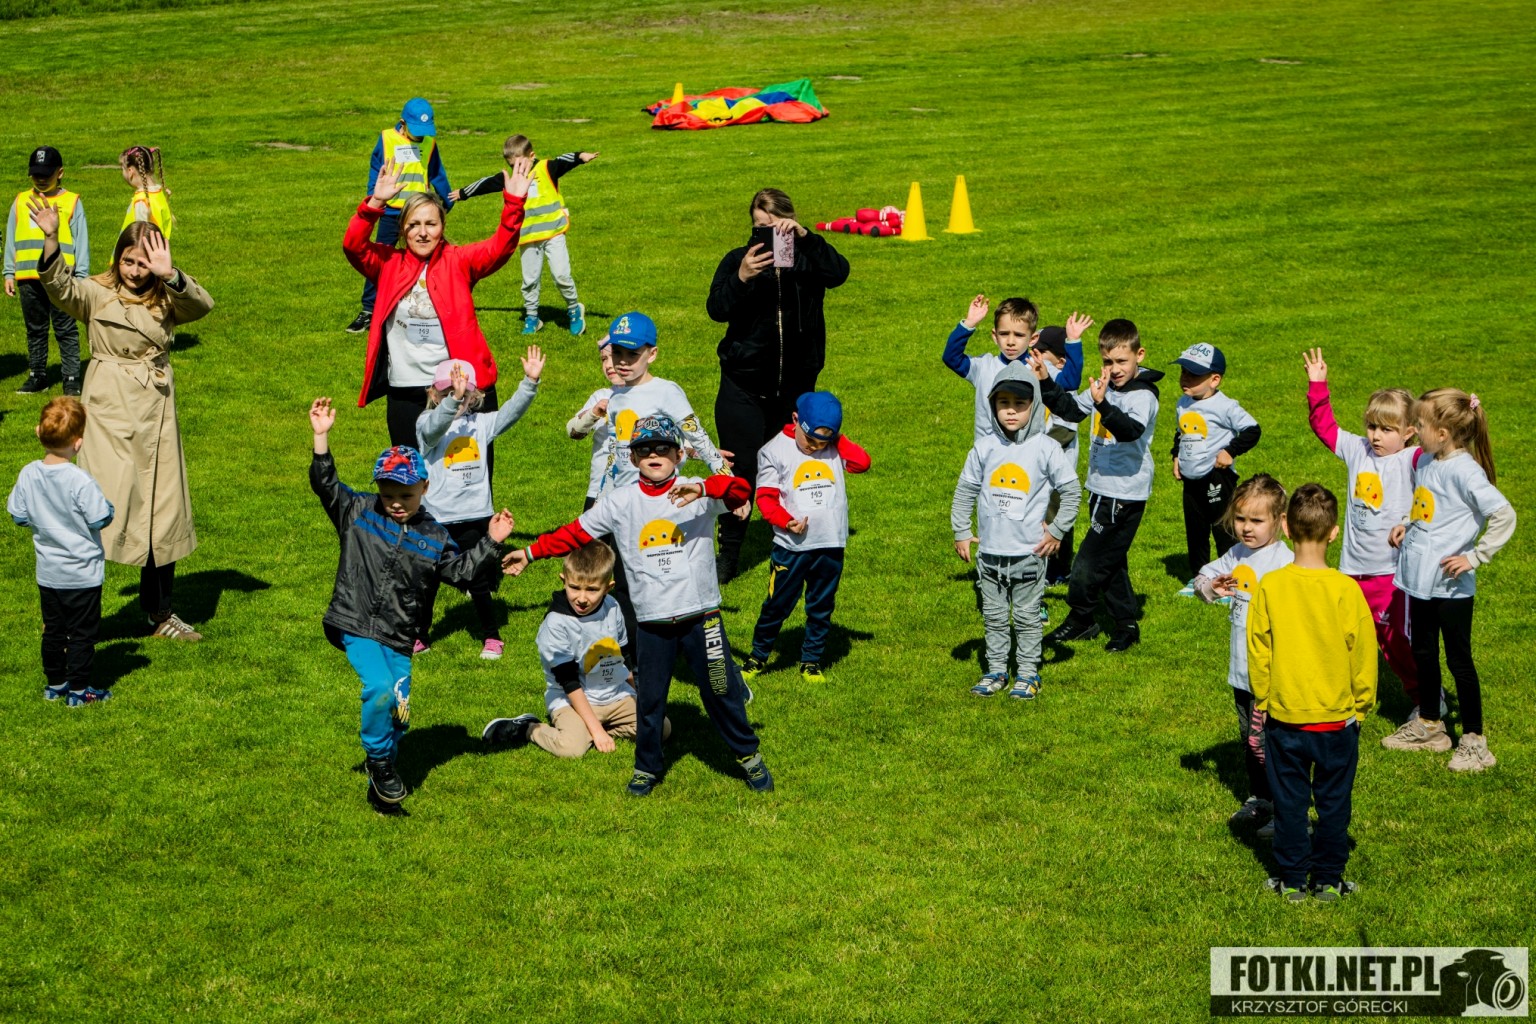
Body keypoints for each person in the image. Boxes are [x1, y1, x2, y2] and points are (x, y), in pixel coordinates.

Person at [503, 415, 773, 798]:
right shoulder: (620, 502)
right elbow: (575, 533)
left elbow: (741, 489)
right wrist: (530, 553)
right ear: (632, 459)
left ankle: (748, 757)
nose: (653, 454)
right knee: (650, 698)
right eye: (644, 449)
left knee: (720, 689)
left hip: (703, 617)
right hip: (652, 624)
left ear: (679, 454)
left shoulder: (698, 491)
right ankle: (647, 767)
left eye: (663, 447)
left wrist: (702, 487)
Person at [308, 397, 514, 810]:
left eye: (406, 494)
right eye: (388, 494)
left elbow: (461, 572)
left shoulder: (434, 536)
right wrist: (321, 438)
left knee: (399, 711)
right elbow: (326, 485)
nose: (396, 502)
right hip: (355, 623)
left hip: (400, 635)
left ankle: (382, 780)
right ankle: (379, 761)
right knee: (380, 689)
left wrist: (491, 542)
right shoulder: (358, 511)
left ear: (425, 487)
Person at [32, 202, 213, 641]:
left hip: (157, 412)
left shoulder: (167, 295)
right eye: (128, 261)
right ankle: (75, 616)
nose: (134, 270)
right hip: (109, 413)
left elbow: (202, 305)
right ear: (117, 258)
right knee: (95, 514)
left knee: (162, 511)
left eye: (143, 263)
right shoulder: (96, 292)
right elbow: (59, 288)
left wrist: (170, 274)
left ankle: (160, 614)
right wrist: (52, 238)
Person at [707, 188, 850, 583]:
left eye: (775, 227)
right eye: (759, 228)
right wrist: (742, 277)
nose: (767, 235)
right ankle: (729, 552)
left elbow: (839, 273)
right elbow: (716, 309)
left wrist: (806, 238)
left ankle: (796, 541)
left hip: (795, 388)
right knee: (741, 469)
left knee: (790, 467)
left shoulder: (809, 260)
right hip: (743, 384)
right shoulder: (738, 260)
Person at [343, 154, 532, 450]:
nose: (422, 232)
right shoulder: (388, 263)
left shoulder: (459, 261)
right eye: (414, 224)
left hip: (459, 388)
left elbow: (500, 247)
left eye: (431, 224)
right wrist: (375, 203)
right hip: (406, 392)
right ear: (403, 229)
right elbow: (353, 246)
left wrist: (514, 204)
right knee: (410, 474)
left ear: (442, 226)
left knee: (466, 472)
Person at [1248, 483, 1377, 903]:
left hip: (1285, 718)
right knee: (1334, 802)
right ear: (1334, 533)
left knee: (1289, 802)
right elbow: (1363, 653)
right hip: (1337, 721)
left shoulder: (1270, 586)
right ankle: (1328, 881)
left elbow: (1259, 649)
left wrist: (1264, 699)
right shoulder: (1346, 589)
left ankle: (1291, 880)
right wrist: (1362, 705)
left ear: (1285, 527)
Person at [1387, 389, 1515, 771]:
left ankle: (1475, 741)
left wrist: (1474, 557)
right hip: (1419, 579)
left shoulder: (1465, 471)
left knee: (1459, 661)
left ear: (1442, 433)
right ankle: (1430, 725)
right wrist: (1407, 524)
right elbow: (1429, 507)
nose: (1414, 429)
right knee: (1423, 652)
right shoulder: (1427, 460)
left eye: (1420, 425)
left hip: (1450, 587)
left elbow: (1504, 515)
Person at [1302, 348, 1423, 717]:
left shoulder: (1413, 459)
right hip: (1350, 571)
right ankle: (1339, 699)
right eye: (1372, 426)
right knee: (1340, 640)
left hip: (1391, 575)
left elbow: (1444, 472)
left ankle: (1426, 700)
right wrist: (1318, 386)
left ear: (1409, 433)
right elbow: (1324, 426)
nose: (1376, 436)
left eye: (1387, 429)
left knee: (1397, 643)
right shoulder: (1358, 450)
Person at [951, 363, 1081, 699]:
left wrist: (1057, 531)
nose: (1011, 410)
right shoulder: (984, 447)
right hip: (990, 553)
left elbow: (1071, 492)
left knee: (1026, 618)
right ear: (992, 405)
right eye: (1003, 403)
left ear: (1034, 405)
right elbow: (965, 490)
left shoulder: (1046, 447)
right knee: (994, 617)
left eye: (1020, 404)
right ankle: (996, 670)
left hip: (1029, 554)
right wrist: (961, 530)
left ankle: (1028, 673)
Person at [1039, 319, 1163, 652]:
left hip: (1125, 493)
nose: (1115, 369)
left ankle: (1081, 618)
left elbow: (1129, 431)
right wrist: (1044, 380)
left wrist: (1102, 403)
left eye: (1122, 361)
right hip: (1100, 489)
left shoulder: (1143, 396)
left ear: (1139, 355)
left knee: (1087, 563)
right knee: (1111, 561)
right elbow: (1068, 410)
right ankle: (1126, 624)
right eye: (1108, 361)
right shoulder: (1103, 387)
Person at [482, 542, 672, 757]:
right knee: (571, 749)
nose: (582, 598)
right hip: (571, 700)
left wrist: (636, 696)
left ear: (608, 587)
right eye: (574, 587)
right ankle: (528, 728)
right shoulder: (556, 623)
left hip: (615, 695)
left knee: (661, 728)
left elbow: (624, 657)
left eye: (592, 590)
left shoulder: (612, 606)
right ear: (563, 580)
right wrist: (597, 730)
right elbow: (569, 682)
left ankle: (588, 732)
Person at [414, 350, 542, 658]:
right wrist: (453, 401)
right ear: (433, 394)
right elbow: (433, 430)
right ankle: (419, 635)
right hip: (436, 518)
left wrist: (530, 382)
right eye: (447, 391)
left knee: (478, 579)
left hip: (474, 516)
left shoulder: (481, 424)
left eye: (462, 392)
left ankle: (491, 637)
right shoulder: (425, 422)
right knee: (428, 580)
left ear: (475, 396)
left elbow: (510, 413)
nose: (455, 396)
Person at [739, 391, 871, 684]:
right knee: (776, 605)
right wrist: (786, 522)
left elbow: (862, 463)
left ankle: (811, 661)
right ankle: (758, 656)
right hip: (791, 548)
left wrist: (836, 439)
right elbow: (766, 498)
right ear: (796, 420)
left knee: (821, 607)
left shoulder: (832, 446)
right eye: (810, 440)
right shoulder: (774, 450)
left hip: (830, 545)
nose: (814, 447)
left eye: (822, 443)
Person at [1191, 474, 1292, 832]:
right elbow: (1201, 578)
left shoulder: (1285, 563)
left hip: (1271, 674)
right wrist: (1211, 587)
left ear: (1279, 521)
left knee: (1267, 742)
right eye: (1240, 518)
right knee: (1250, 741)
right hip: (1241, 671)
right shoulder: (1237, 554)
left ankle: (1284, 808)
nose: (1246, 528)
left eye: (1257, 520)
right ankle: (1262, 798)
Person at [7, 397, 114, 705]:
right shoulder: (80, 480)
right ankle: (80, 691)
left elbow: (18, 515)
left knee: (53, 630)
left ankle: (55, 684)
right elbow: (99, 518)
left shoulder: (29, 473)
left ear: (38, 432)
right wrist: (109, 507)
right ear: (78, 443)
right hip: (82, 574)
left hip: (49, 572)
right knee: (82, 634)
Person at [451, 135, 597, 337]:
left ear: (532, 156)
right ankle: (532, 317)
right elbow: (487, 183)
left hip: (553, 233)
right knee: (530, 281)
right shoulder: (512, 180)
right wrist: (463, 193)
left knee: (561, 276)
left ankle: (574, 309)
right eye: (512, 165)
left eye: (520, 163)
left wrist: (581, 156)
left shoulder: (547, 168)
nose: (517, 169)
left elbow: (564, 160)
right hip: (528, 237)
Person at [347, 98, 453, 333]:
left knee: (431, 259)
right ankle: (368, 310)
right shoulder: (387, 139)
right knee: (379, 260)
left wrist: (446, 200)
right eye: (416, 130)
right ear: (402, 123)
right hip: (391, 211)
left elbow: (437, 173)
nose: (421, 135)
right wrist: (374, 198)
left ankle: (435, 303)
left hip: (418, 213)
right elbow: (376, 168)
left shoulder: (430, 143)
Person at [1171, 343, 1261, 593]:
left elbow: (1253, 430)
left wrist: (1230, 451)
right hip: (1191, 480)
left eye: (1193, 374)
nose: (1185, 378)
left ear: (1214, 380)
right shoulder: (1183, 403)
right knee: (1195, 531)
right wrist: (1176, 456)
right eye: (1183, 372)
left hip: (1217, 477)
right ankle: (1200, 580)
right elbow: (1181, 433)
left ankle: (1229, 582)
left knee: (1223, 530)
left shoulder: (1225, 406)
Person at [5, 146, 89, 396]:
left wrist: (81, 275)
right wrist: (9, 272)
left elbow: (81, 240)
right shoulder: (20, 201)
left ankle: (71, 378)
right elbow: (11, 238)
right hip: (28, 278)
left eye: (46, 174)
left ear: (60, 173)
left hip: (61, 278)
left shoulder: (71, 202)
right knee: (35, 329)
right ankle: (37, 376)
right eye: (36, 174)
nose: (41, 179)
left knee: (65, 328)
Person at [1031, 323, 1088, 583]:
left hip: (1057, 469)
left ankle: (1058, 569)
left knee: (1056, 516)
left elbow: (1065, 431)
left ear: (1061, 361)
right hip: (1037, 467)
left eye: (1042, 352)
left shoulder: (1064, 388)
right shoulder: (1036, 379)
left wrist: (1033, 450)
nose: (1035, 356)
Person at [567, 336, 625, 512]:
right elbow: (572, 431)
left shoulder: (651, 396)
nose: (608, 365)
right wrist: (593, 413)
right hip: (598, 491)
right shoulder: (601, 396)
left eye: (613, 357)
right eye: (603, 359)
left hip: (635, 490)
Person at [119, 145, 172, 239]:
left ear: (130, 171)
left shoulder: (141, 202)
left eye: (122, 169)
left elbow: (141, 240)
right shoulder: (159, 193)